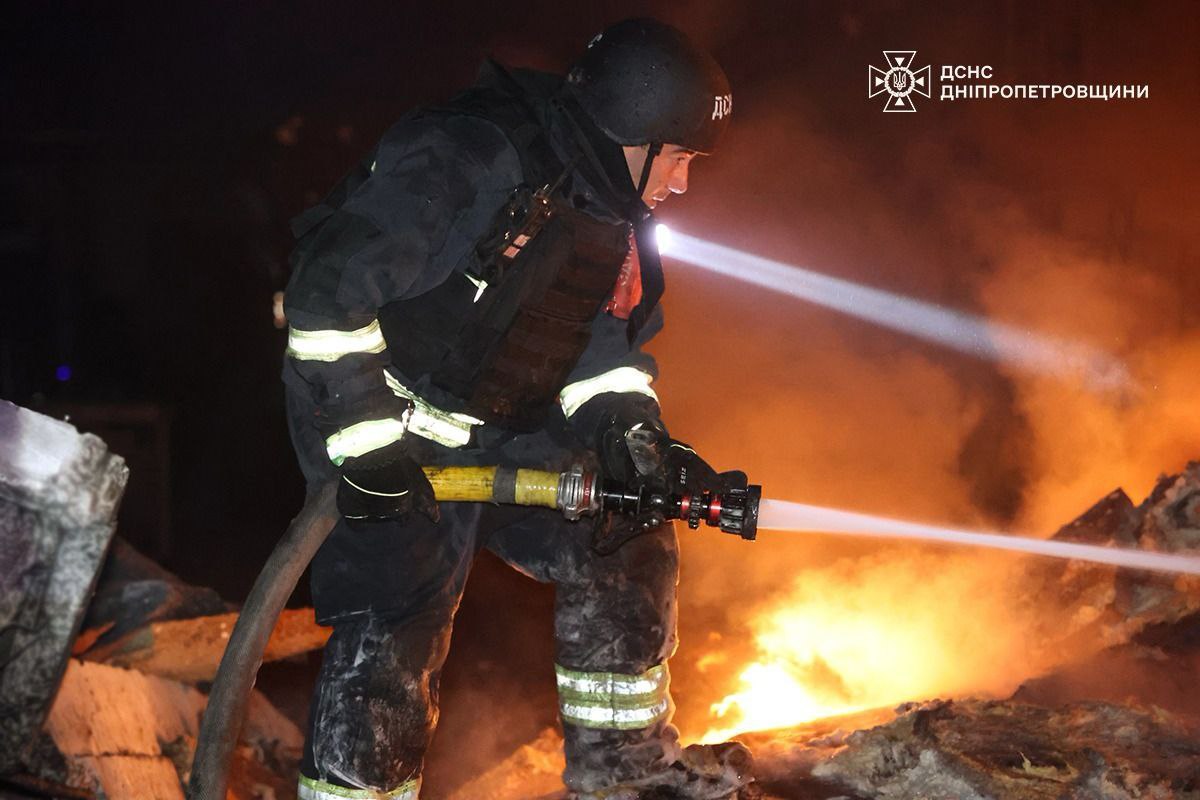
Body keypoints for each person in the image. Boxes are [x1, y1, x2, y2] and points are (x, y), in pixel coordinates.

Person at [282, 17, 752, 800]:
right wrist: (365, 448)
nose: (681, 183)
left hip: (502, 428)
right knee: (398, 624)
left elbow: (604, 351)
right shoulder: (467, 160)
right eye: (678, 157)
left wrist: (634, 437)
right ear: (632, 133)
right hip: (382, 424)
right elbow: (326, 298)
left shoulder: (613, 216)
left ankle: (624, 775)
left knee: (625, 531)